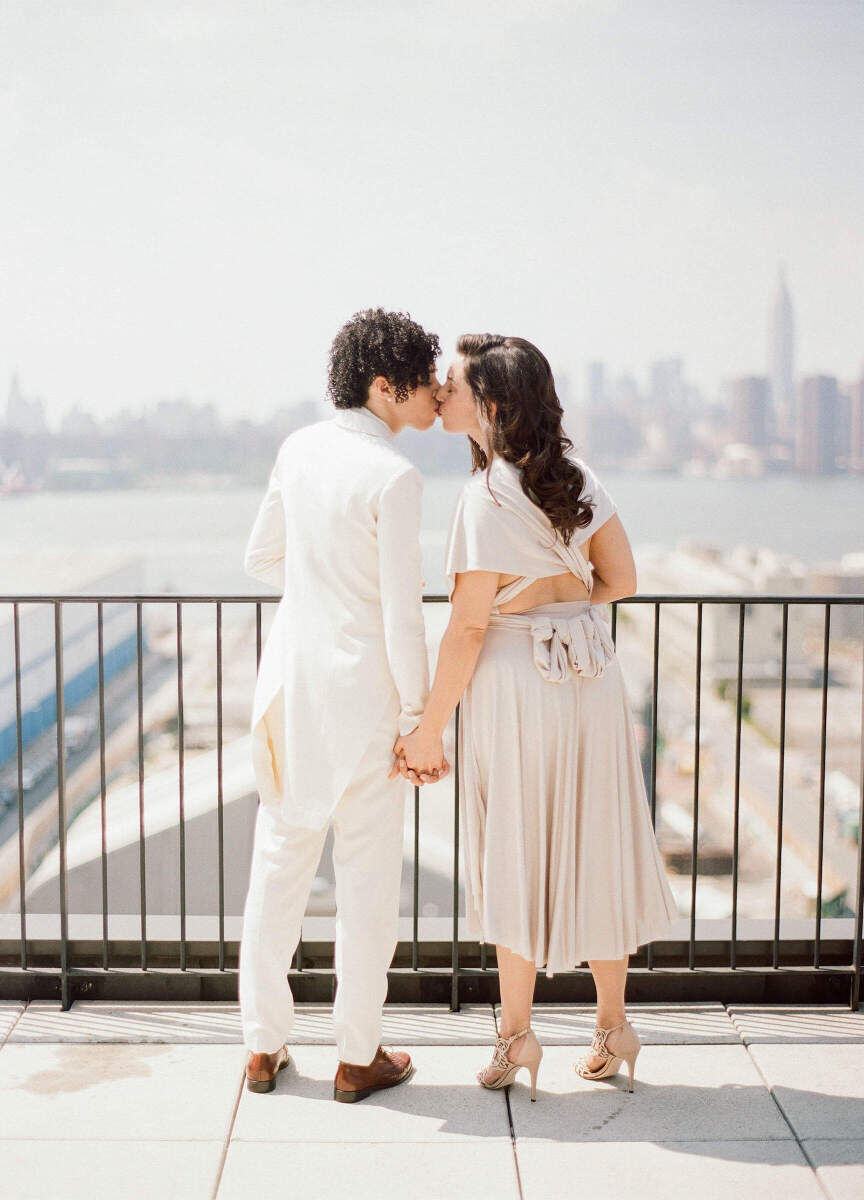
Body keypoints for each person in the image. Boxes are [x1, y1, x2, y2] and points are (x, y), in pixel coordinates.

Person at [391, 334, 678, 1098]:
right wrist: (556, 592)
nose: (439, 392)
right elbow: (620, 578)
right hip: (589, 670)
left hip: (519, 679)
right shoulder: (575, 476)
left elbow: (467, 627)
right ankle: (614, 1027)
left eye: (450, 385)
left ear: (488, 405)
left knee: (513, 849)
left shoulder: (483, 498)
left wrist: (427, 727)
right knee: (599, 839)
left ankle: (517, 1039)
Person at [240, 308, 448, 1103]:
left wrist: (317, 583)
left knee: (278, 867)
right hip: (364, 703)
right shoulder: (395, 477)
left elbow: (261, 556)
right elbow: (403, 613)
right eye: (423, 381)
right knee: (365, 885)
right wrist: (417, 721)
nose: (432, 395)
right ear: (384, 384)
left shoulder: (298, 449)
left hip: (289, 692)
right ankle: (357, 1058)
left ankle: (262, 1047)